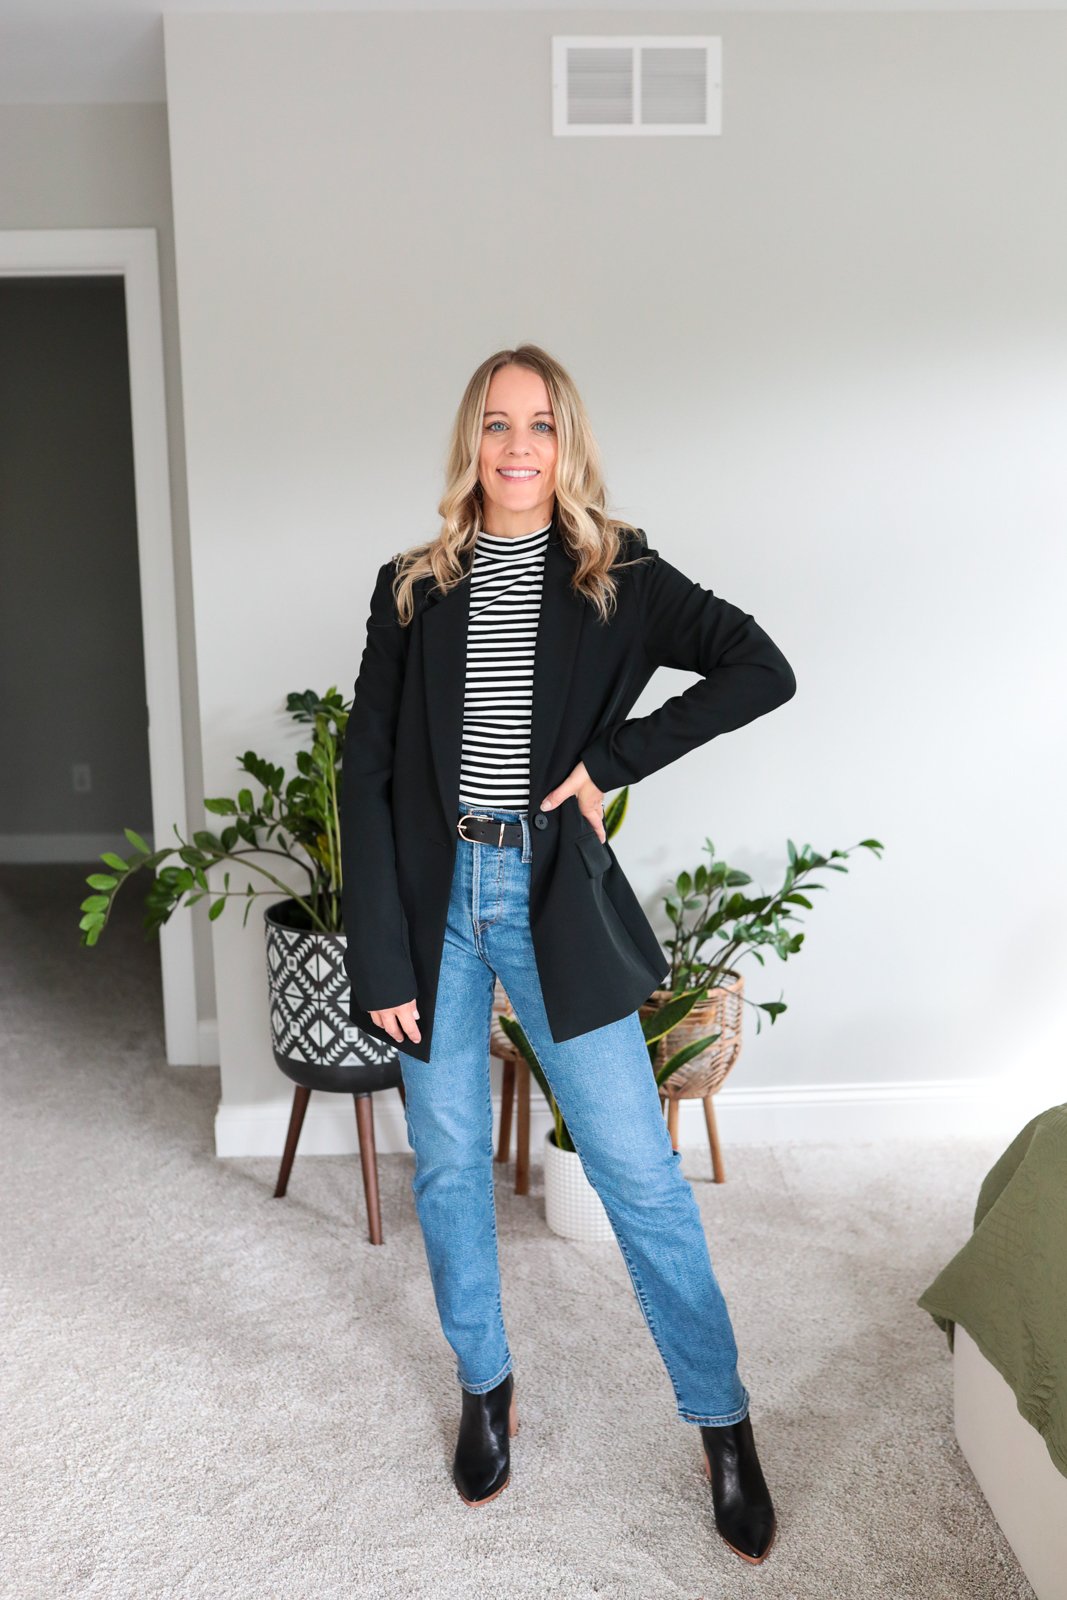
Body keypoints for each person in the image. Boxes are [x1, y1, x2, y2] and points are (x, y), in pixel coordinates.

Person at [339, 345, 796, 1566]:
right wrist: (376, 954)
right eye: (495, 424)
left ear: (566, 441)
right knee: (446, 1168)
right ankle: (484, 1387)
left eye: (539, 424)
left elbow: (762, 666)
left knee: (639, 1176)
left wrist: (614, 763)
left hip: (542, 895)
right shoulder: (412, 584)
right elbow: (364, 768)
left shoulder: (618, 570)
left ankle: (722, 1424)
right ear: (470, 444)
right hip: (433, 905)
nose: (517, 446)